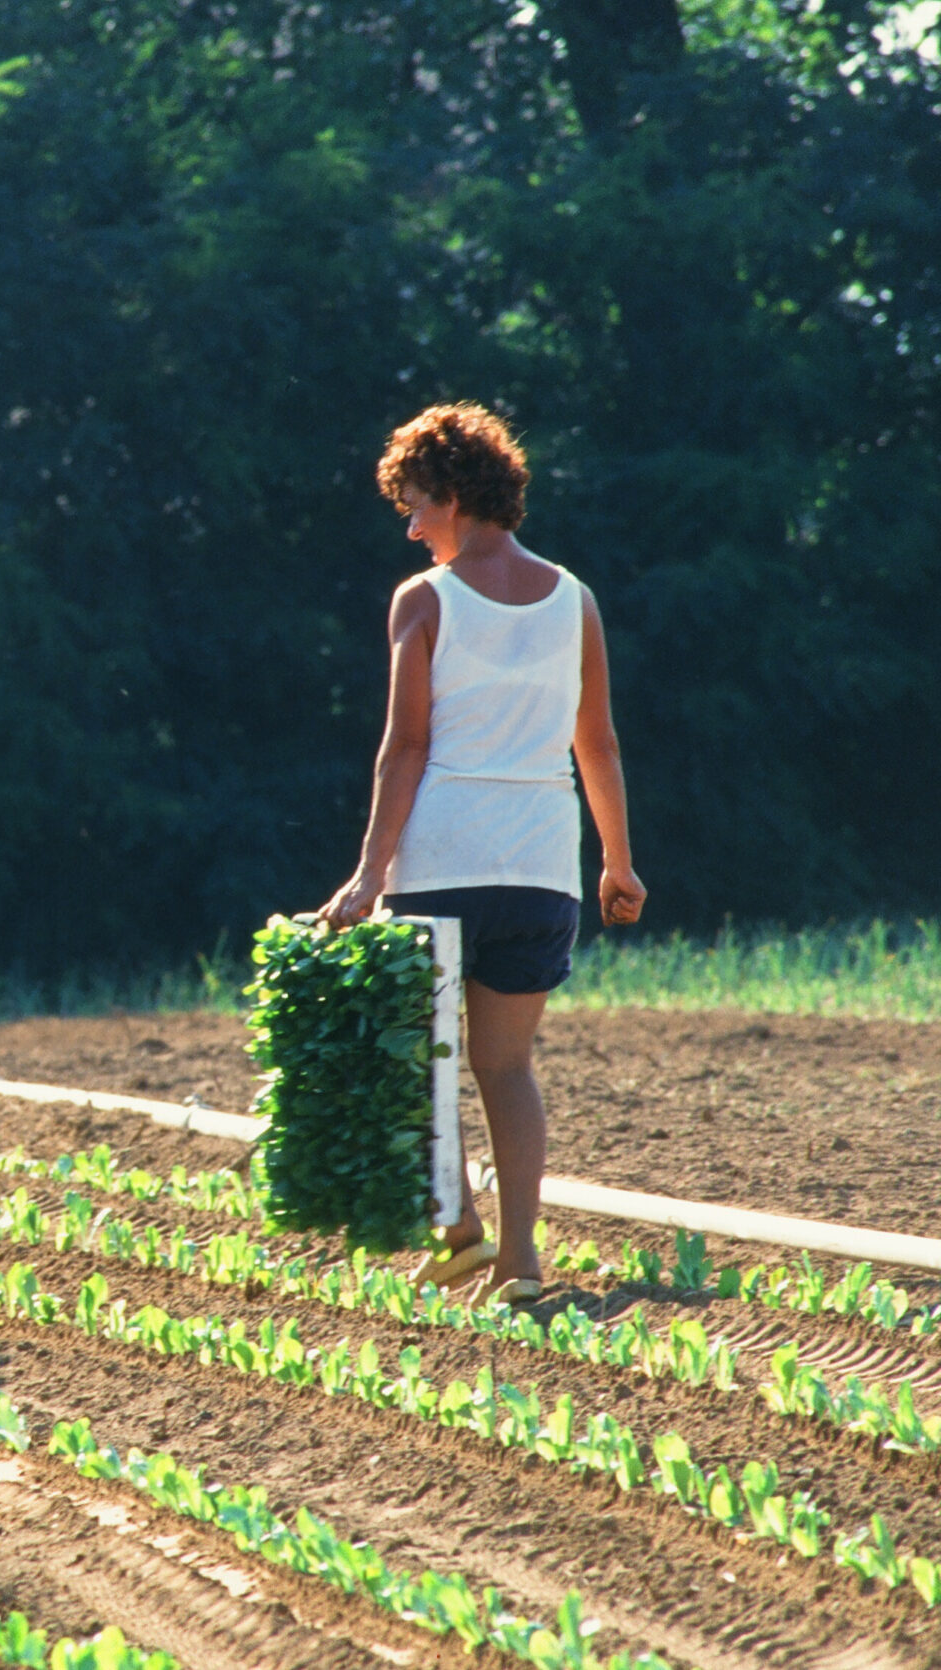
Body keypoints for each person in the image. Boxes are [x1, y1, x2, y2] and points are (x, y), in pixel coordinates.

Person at [320, 402, 644, 1305]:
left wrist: (368, 873)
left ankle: (457, 1227)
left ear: (457, 495)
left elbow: (406, 747)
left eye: (417, 505)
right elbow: (600, 744)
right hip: (543, 870)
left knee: (411, 1059)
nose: (413, 527)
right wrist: (617, 862)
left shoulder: (425, 601)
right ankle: (521, 1265)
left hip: (442, 865)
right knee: (506, 1068)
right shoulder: (576, 599)